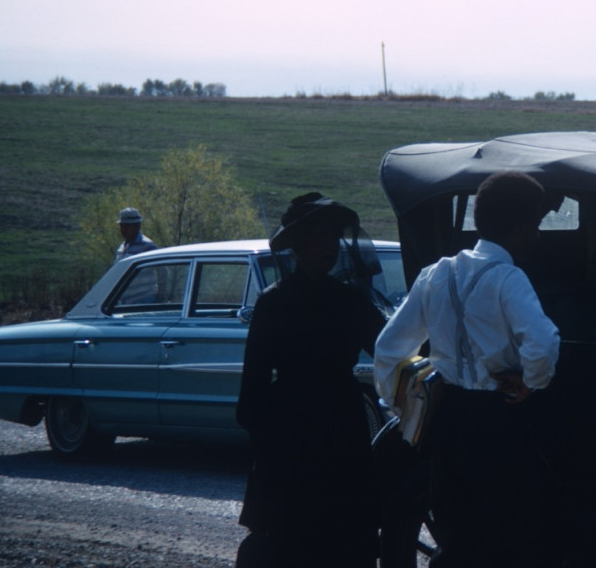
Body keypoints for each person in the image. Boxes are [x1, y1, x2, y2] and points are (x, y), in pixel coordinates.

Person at [374, 171, 562, 568]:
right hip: (498, 418)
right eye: (536, 225)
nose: (538, 236)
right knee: (505, 532)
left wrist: (402, 409)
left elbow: (389, 348)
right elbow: (543, 344)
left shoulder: (436, 274)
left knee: (455, 532)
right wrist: (531, 382)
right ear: (520, 227)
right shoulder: (509, 278)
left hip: (446, 419)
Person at [235, 192, 386, 568]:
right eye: (321, 237)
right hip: (291, 442)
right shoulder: (273, 304)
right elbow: (252, 390)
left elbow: (390, 348)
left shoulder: (351, 302)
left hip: (343, 435)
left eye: (334, 237)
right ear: (299, 246)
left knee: (346, 539)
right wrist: (271, 449)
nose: (330, 246)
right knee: (293, 541)